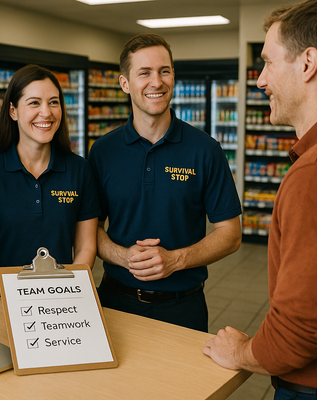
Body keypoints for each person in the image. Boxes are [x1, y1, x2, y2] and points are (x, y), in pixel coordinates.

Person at [203, 1, 317, 398]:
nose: (260, 80)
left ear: (307, 64)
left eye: (268, 62)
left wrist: (243, 351)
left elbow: (299, 333)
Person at [87, 33, 242, 332]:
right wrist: (125, 256)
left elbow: (230, 234)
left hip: (183, 309)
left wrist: (175, 260)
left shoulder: (205, 150)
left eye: (164, 71)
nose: (156, 82)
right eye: (144, 73)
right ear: (125, 84)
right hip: (114, 303)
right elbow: (91, 227)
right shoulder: (102, 152)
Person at [0, 64, 100, 303]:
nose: (47, 113)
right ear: (13, 111)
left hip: (59, 303)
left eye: (53, 102)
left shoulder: (79, 170)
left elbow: (86, 247)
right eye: (34, 103)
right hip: (0, 301)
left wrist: (65, 293)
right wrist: (13, 293)